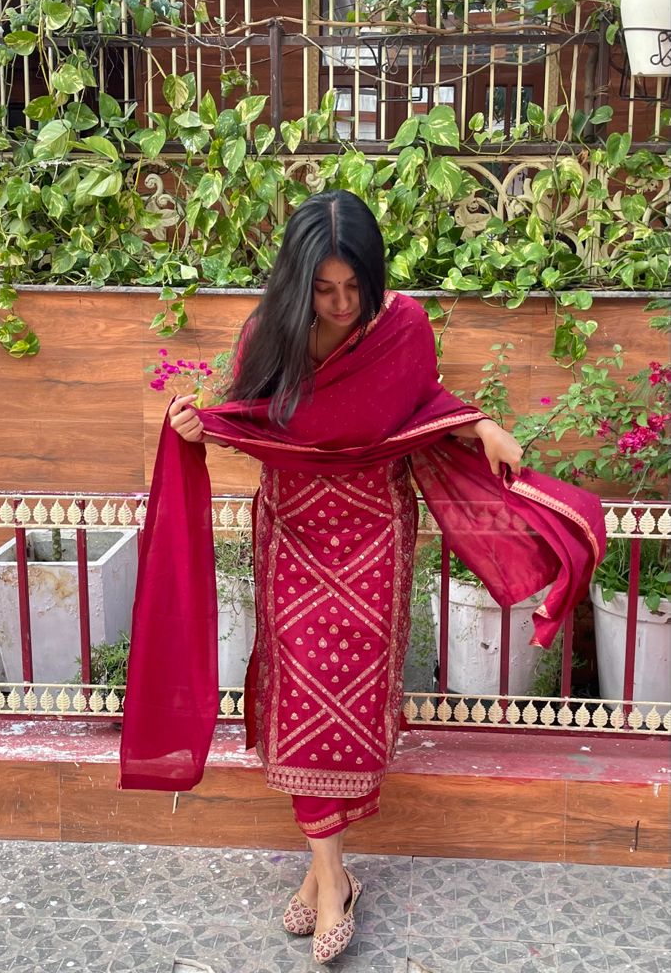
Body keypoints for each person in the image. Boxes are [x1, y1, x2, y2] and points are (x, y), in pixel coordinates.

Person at [120, 190, 606, 965]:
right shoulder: (266, 334)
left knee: (343, 698)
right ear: (296, 281)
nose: (343, 304)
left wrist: (481, 424)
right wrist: (194, 424)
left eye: (355, 287)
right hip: (294, 532)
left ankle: (326, 878)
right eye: (324, 289)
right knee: (302, 690)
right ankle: (331, 875)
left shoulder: (403, 327)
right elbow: (246, 418)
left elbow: (420, 405)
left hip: (375, 530)